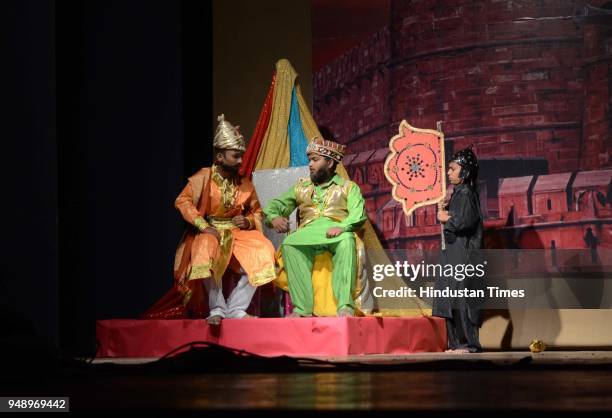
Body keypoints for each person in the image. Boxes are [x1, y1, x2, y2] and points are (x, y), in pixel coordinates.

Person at [144, 114, 276, 325]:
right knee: (203, 249)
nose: (241, 161)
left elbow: (257, 211)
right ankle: (217, 308)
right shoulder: (204, 177)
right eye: (236, 156)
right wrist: (202, 225)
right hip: (211, 230)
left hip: (236, 233)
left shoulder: (244, 184)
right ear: (220, 157)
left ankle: (236, 308)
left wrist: (249, 221)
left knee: (265, 251)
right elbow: (183, 201)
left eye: (242, 156)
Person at [263, 137, 367, 317]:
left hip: (337, 231)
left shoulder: (348, 187)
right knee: (290, 244)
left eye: (315, 160)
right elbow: (276, 205)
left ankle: (345, 306)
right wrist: (274, 217)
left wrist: (343, 227)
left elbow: (358, 214)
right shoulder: (301, 187)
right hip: (307, 232)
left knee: (346, 242)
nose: (310, 165)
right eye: (309, 160)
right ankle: (302, 309)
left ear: (330, 162)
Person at [434, 145, 484, 353]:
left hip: (463, 254)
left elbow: (466, 221)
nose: (448, 172)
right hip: (453, 253)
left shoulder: (466, 192)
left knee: (462, 297)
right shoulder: (458, 193)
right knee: (450, 297)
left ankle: (469, 343)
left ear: (465, 172)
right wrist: (446, 209)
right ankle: (456, 343)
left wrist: (447, 218)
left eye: (452, 169)